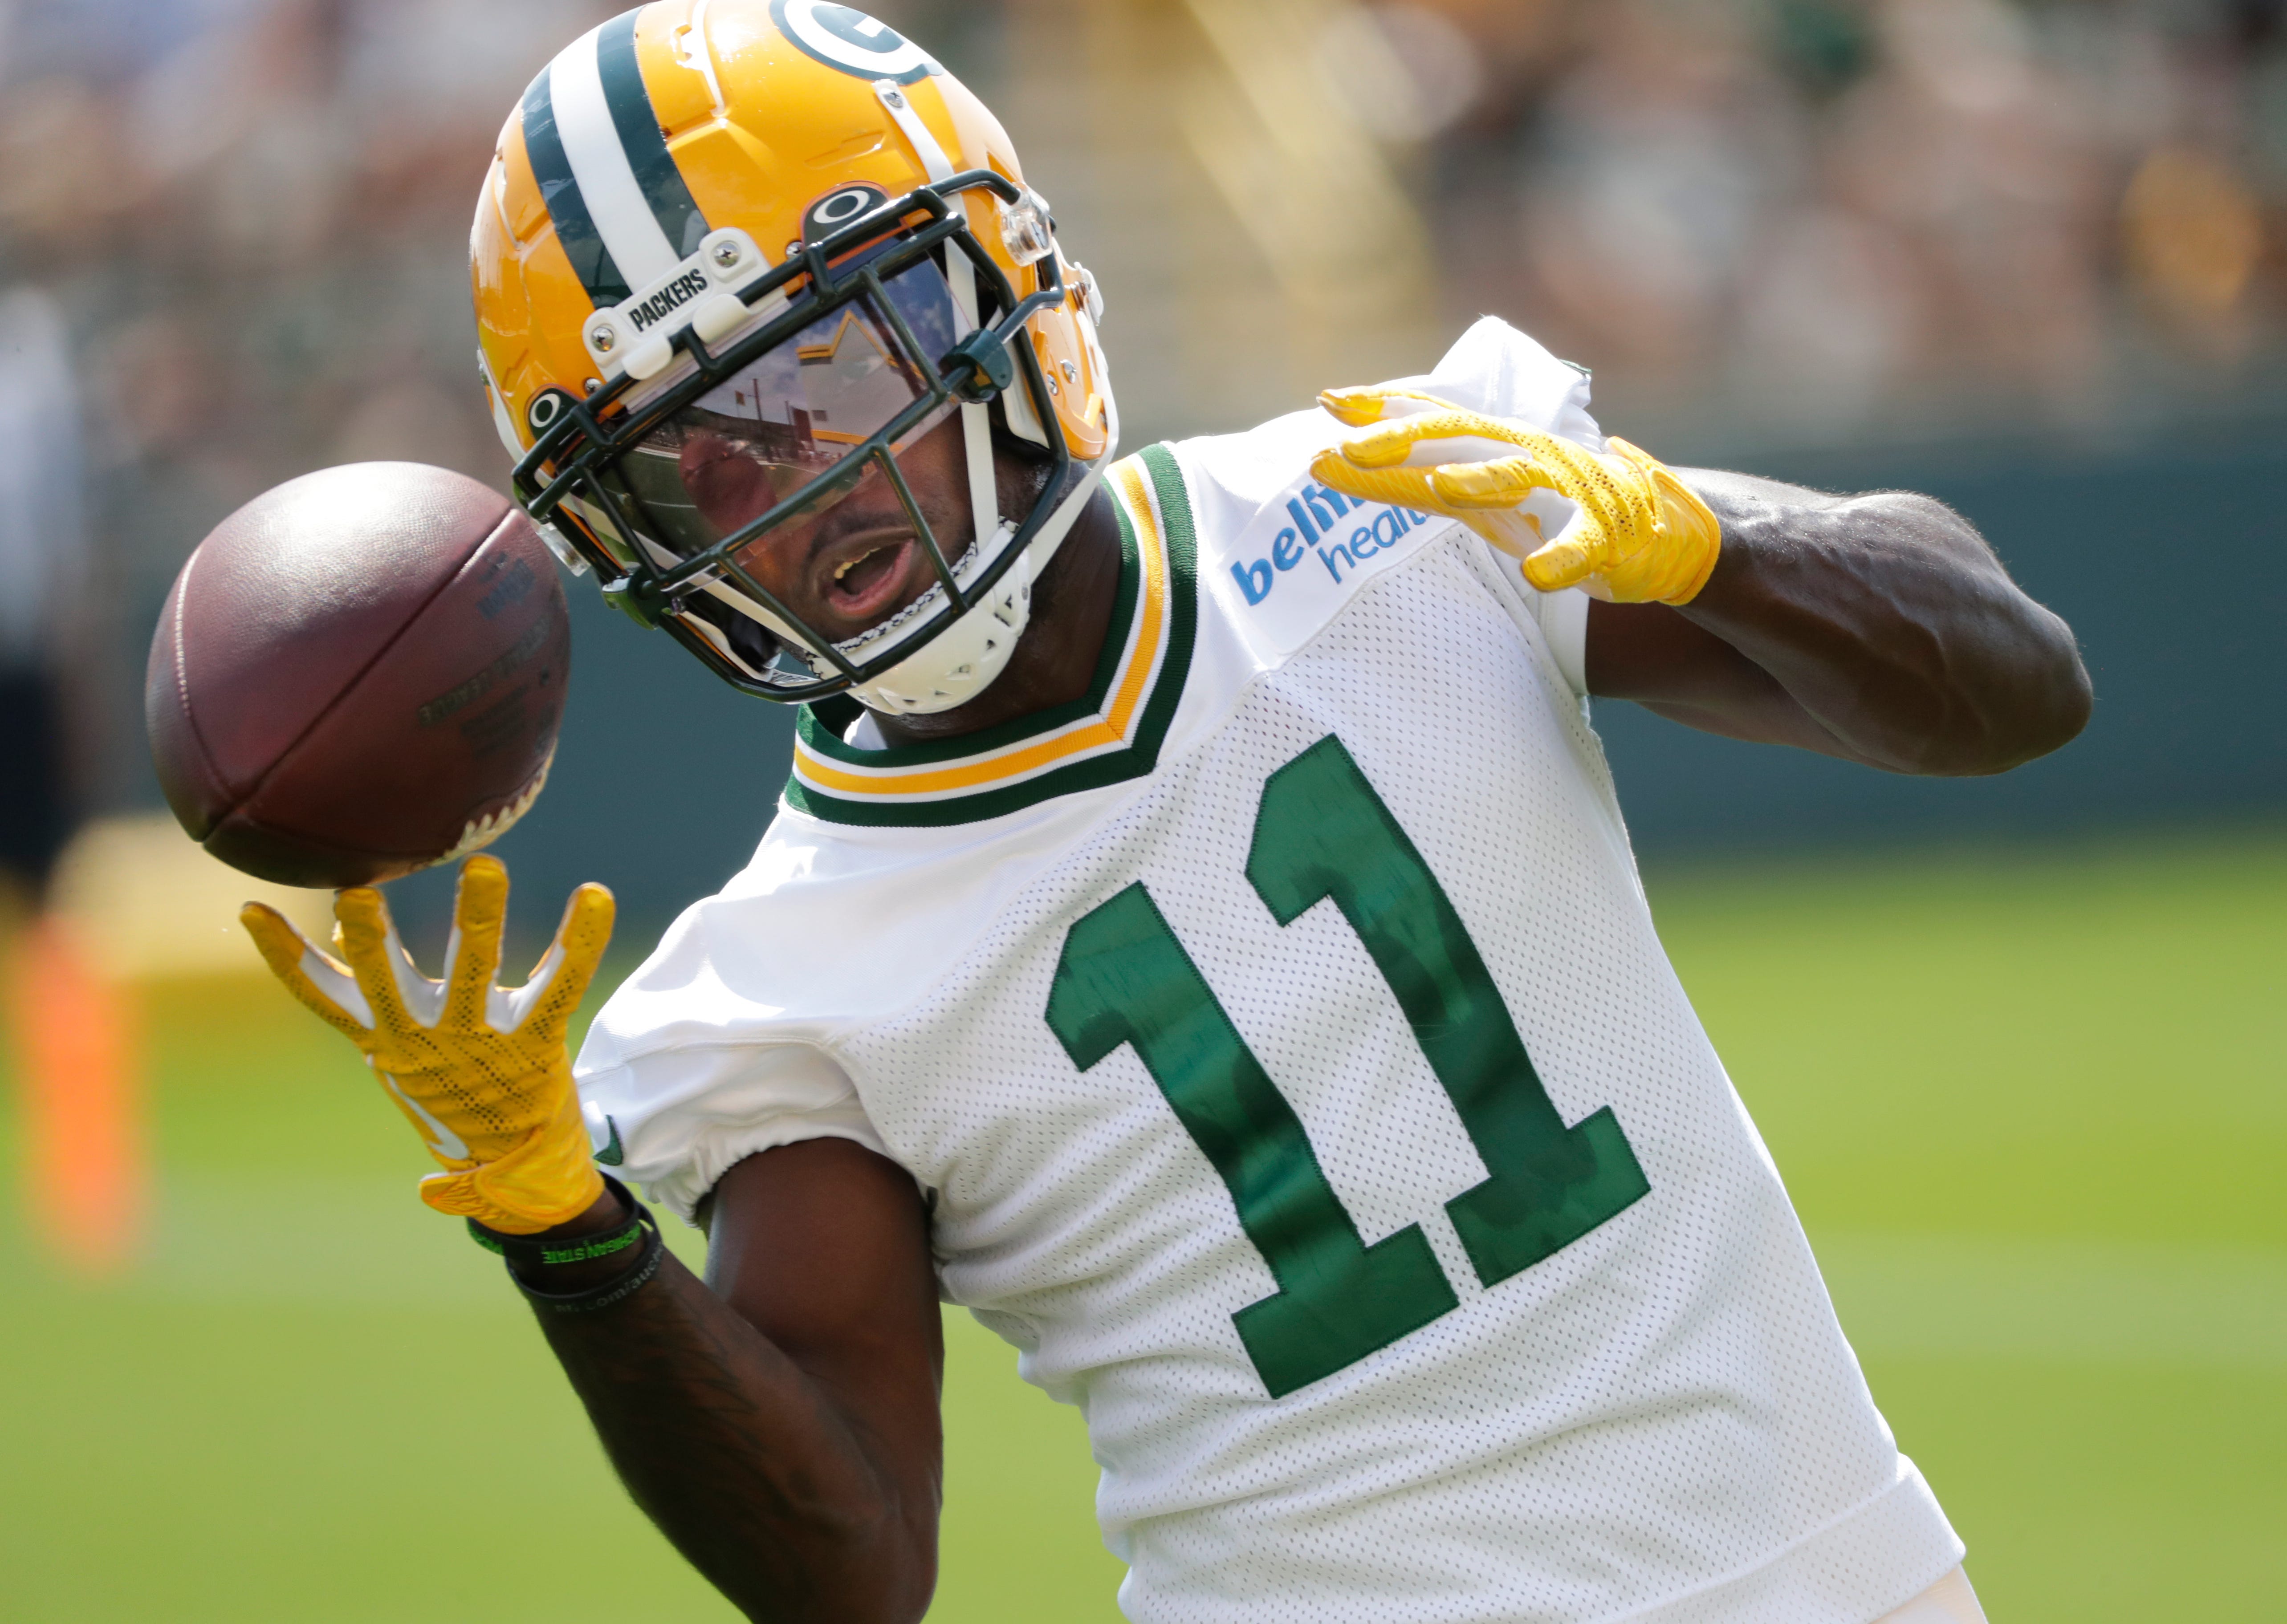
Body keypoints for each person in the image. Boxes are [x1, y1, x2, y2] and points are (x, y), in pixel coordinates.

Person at [242, 7, 2089, 1622]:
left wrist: (1706, 542)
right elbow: (856, 1567)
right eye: (696, 455)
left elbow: (2015, 686)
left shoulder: (1401, 494)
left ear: (984, 287)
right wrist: (564, 1226)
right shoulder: (789, 984)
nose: (794, 485)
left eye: (824, 364)